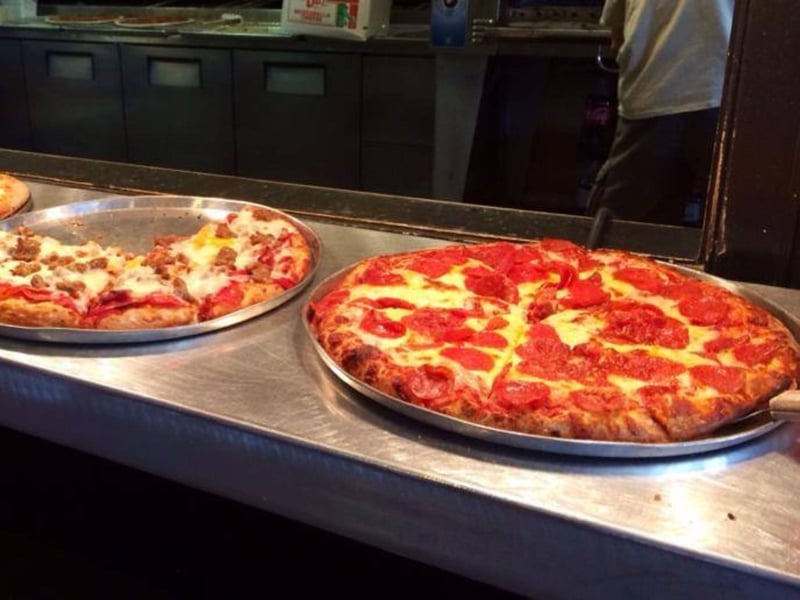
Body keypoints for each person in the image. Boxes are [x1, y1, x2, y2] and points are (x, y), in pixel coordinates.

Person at [586, 0, 735, 226]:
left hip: (651, 90)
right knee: (739, 232)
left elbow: (617, 35)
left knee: (631, 234)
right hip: (723, 91)